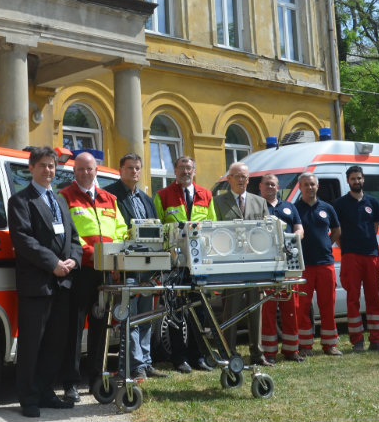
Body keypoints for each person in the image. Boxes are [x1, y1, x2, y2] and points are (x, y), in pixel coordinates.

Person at [7, 146, 81, 418]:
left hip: (63, 285)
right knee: (32, 345)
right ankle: (28, 399)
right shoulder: (21, 201)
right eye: (43, 165)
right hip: (37, 286)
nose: (48, 170)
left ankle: (46, 392)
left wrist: (73, 260)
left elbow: (73, 238)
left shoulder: (60, 200)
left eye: (52, 165)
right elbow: (24, 240)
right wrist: (54, 264)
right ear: (31, 168)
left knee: (54, 344)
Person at [58, 152, 127, 402]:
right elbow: (68, 236)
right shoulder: (65, 196)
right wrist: (93, 254)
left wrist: (115, 257)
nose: (85, 173)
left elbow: (120, 230)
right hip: (81, 270)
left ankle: (97, 377)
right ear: (74, 172)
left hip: (106, 271)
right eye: (80, 169)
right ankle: (70, 383)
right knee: (74, 328)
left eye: (89, 169)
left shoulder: (110, 198)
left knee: (102, 326)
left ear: (96, 170)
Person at [104, 153, 168, 381]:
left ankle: (147, 362)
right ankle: (136, 365)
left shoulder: (146, 198)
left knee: (146, 317)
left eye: (137, 168)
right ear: (121, 169)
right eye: (130, 168)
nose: (134, 172)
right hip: (125, 268)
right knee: (129, 318)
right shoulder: (111, 195)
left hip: (147, 268)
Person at [154, 155, 217, 373]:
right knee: (175, 311)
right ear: (175, 171)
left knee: (199, 311)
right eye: (181, 168)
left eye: (189, 168)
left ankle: (197, 356)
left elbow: (213, 227)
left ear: (194, 171)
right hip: (175, 264)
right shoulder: (162, 195)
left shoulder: (206, 195)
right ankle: (179, 358)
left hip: (200, 264)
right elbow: (158, 229)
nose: (185, 172)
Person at [214, 162, 272, 366]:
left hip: (255, 265)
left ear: (249, 180)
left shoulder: (259, 202)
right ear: (229, 179)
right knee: (232, 309)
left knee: (256, 309)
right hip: (231, 265)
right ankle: (228, 352)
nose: (240, 180)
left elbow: (266, 233)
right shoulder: (218, 202)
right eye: (236, 176)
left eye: (244, 177)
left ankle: (257, 353)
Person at [333, 165, 379, 352]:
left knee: (374, 298)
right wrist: (345, 247)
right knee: (352, 298)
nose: (357, 181)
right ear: (348, 181)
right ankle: (357, 341)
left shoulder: (373, 202)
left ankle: (376, 340)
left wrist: (367, 244)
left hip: (371, 255)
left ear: (364, 180)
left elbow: (374, 227)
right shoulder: (339, 204)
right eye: (353, 178)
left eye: (359, 178)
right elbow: (336, 231)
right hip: (351, 256)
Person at [258, 173, 305, 363]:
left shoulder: (289, 207)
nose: (270, 187)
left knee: (291, 305)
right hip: (267, 263)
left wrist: (293, 239)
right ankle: (269, 352)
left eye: (273, 185)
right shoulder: (258, 207)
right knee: (268, 307)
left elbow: (300, 229)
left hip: (289, 262)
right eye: (267, 184)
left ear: (278, 188)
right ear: (260, 187)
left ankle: (291, 349)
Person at [294, 172, 342, 356]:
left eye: (312, 184)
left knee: (327, 305)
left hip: (325, 263)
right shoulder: (295, 208)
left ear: (317, 186)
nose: (309, 187)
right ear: (300, 187)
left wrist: (326, 245)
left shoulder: (327, 208)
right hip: (303, 265)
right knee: (302, 306)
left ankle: (330, 344)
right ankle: (305, 345)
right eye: (305, 184)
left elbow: (337, 231)